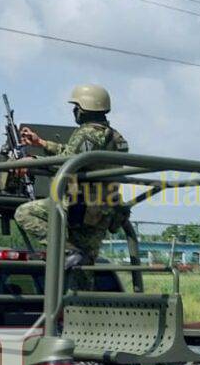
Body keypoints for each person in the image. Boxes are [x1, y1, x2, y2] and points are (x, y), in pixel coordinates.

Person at [13, 84, 130, 260]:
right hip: (102, 209)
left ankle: (67, 250)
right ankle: (74, 254)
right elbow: (73, 154)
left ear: (83, 109)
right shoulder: (114, 136)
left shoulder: (88, 134)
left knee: (25, 213)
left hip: (81, 205)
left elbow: (69, 162)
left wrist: (33, 162)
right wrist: (42, 144)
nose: (74, 111)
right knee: (84, 269)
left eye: (76, 107)